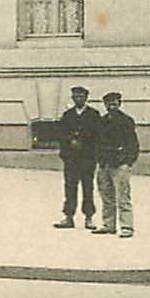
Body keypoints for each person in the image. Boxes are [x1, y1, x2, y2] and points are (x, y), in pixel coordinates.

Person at [53, 85, 102, 229]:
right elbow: (61, 135)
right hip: (72, 159)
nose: (78, 99)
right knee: (70, 187)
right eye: (76, 96)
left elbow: (98, 136)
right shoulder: (68, 115)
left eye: (81, 96)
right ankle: (68, 216)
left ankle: (89, 217)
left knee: (88, 187)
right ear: (73, 98)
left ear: (86, 98)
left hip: (87, 158)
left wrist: (93, 153)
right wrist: (67, 150)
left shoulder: (94, 115)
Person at [92, 91, 139, 238]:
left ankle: (127, 227)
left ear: (120, 104)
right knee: (106, 196)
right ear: (105, 105)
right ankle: (108, 224)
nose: (111, 106)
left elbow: (133, 145)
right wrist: (99, 160)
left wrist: (127, 162)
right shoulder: (101, 121)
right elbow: (97, 143)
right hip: (105, 164)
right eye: (108, 104)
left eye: (114, 103)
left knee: (123, 196)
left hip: (120, 164)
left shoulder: (126, 121)